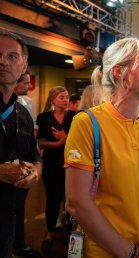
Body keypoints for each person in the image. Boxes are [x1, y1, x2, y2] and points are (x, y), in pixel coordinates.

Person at [64, 37, 139, 258]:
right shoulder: (87, 123)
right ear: (119, 72)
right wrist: (129, 252)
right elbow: (76, 202)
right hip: (105, 251)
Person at [0, 30, 42, 258]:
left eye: (12, 56)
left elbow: (35, 154)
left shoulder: (22, 114)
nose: (3, 61)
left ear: (24, 64)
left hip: (7, 222)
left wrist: (36, 171)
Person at [36, 86, 75, 250]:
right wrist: (58, 143)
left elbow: (81, 138)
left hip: (72, 165)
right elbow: (40, 142)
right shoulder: (43, 118)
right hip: (51, 164)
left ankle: (73, 234)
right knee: (52, 199)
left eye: (66, 97)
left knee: (72, 201)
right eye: (61, 97)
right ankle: (50, 230)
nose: (66, 100)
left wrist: (67, 138)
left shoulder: (74, 116)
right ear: (53, 100)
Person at [13, 71, 42, 258]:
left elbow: (32, 146)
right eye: (24, 83)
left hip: (21, 171)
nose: (27, 87)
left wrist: (37, 168)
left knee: (18, 209)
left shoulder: (23, 108)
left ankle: (18, 244)